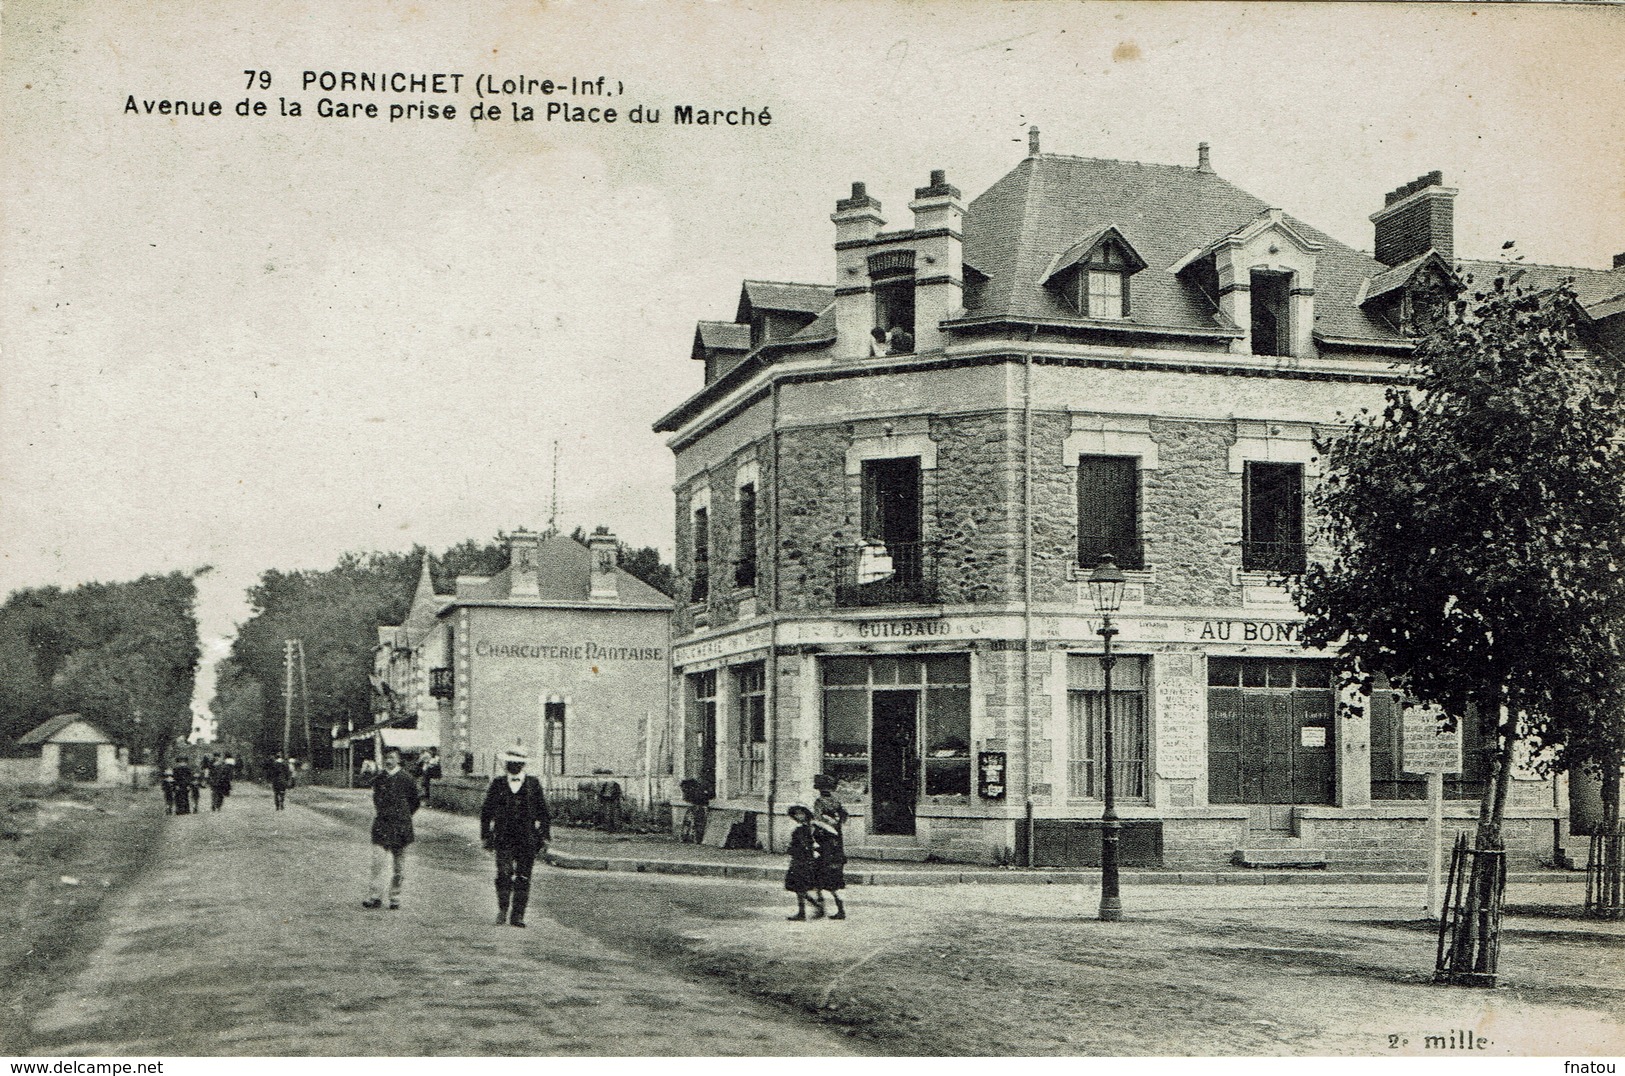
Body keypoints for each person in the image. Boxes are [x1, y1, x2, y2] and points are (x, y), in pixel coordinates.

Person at [480, 747, 550, 928]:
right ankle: (503, 909)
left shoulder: (533, 784)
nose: (514, 765)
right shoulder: (498, 784)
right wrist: (486, 835)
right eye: (510, 762)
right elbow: (486, 811)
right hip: (503, 837)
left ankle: (518, 915)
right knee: (503, 873)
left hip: (527, 838)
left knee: (524, 876)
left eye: (517, 762)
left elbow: (543, 811)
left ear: (523, 764)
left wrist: (545, 835)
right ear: (506, 764)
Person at [363, 747, 420, 910]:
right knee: (377, 863)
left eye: (392, 758)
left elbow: (415, 802)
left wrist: (403, 815)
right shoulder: (379, 778)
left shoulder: (407, 779)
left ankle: (395, 897)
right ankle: (375, 897)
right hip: (382, 825)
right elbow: (377, 800)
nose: (388, 761)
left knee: (399, 866)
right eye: (386, 758)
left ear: (398, 759)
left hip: (401, 827)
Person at [783, 805, 824, 921]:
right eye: (796, 814)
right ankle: (812, 908)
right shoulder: (803, 827)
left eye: (801, 813)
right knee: (799, 888)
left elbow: (805, 844)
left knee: (800, 887)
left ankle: (807, 910)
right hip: (799, 859)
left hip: (803, 860)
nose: (798, 816)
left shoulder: (806, 828)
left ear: (806, 814)